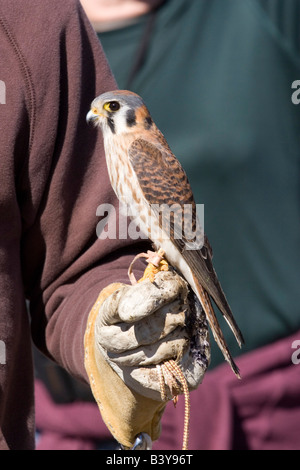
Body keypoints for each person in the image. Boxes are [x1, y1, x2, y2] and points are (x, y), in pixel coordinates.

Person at [80, 0, 300, 449]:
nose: (99, 116)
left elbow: (177, 224)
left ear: (132, 114)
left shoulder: (143, 150)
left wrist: (167, 257)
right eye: (99, 109)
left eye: (110, 108)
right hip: (90, 425)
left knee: (205, 305)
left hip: (274, 408)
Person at [0, 0, 202, 450]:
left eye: (107, 107)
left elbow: (81, 259)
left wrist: (114, 325)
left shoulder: (32, 19)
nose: (98, 115)